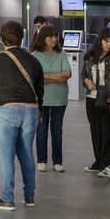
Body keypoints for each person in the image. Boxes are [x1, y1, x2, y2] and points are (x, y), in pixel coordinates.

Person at [0, 21, 44, 211]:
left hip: (6, 110)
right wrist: (40, 112)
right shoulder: (34, 60)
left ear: (1, 38)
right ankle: (29, 196)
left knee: (6, 156)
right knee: (27, 155)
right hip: (30, 111)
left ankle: (7, 198)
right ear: (21, 37)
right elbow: (40, 91)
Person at [81, 27, 110, 175]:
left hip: (109, 99)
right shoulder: (90, 56)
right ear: (100, 40)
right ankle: (98, 162)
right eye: (106, 40)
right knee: (95, 131)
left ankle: (108, 165)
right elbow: (83, 74)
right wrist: (86, 80)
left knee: (109, 132)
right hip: (91, 98)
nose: (108, 44)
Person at [31, 26, 71, 173]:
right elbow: (35, 78)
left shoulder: (61, 54)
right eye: (50, 36)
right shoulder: (35, 55)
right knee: (41, 131)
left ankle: (57, 161)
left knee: (57, 131)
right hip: (41, 100)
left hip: (59, 99)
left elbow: (67, 74)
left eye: (55, 36)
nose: (54, 39)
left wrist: (45, 76)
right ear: (43, 38)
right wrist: (56, 77)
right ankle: (42, 160)